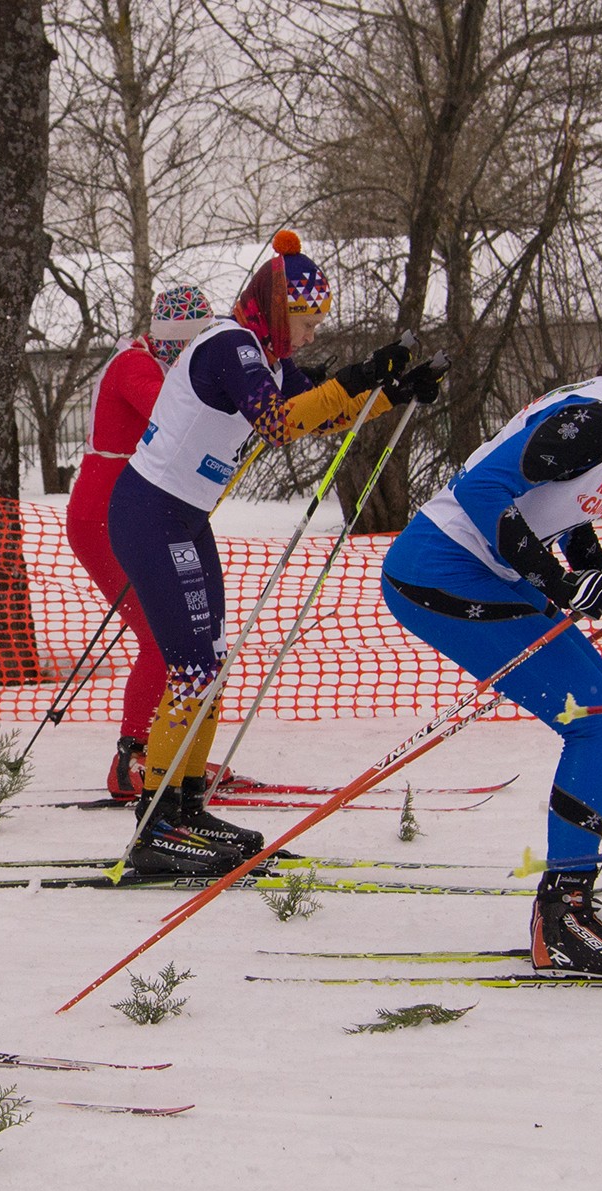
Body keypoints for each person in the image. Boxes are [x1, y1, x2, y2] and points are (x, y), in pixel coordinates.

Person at [380, 286, 602, 976]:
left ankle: (571, 907)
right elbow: (483, 490)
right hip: (441, 573)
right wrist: (564, 585)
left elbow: (561, 504)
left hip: (481, 570)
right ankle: (564, 915)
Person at [106, 229, 435, 875]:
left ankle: (184, 802)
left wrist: (391, 392)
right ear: (280, 308)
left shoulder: (265, 356)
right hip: (149, 515)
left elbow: (319, 412)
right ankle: (156, 821)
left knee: (210, 666)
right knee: (193, 668)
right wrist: (359, 376)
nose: (312, 334)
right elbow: (279, 424)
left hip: (182, 518)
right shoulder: (231, 345)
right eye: (308, 320)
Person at [68, 284, 212, 802]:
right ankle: (132, 758)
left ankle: (164, 748)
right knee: (159, 635)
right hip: (104, 519)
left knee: (177, 633)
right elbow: (177, 418)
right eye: (190, 351)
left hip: (134, 514)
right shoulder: (136, 367)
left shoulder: (157, 362)